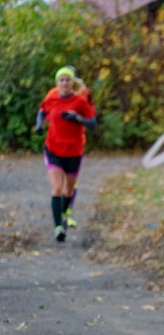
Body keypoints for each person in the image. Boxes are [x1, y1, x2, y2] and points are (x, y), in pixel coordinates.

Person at [35, 65, 97, 242]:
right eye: (61, 79)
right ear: (57, 81)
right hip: (53, 148)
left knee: (69, 188)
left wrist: (77, 118)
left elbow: (92, 121)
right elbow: (43, 111)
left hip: (75, 148)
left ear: (74, 80)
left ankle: (66, 213)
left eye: (68, 79)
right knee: (57, 187)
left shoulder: (82, 96)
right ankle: (58, 227)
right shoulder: (52, 95)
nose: (65, 82)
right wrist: (39, 125)